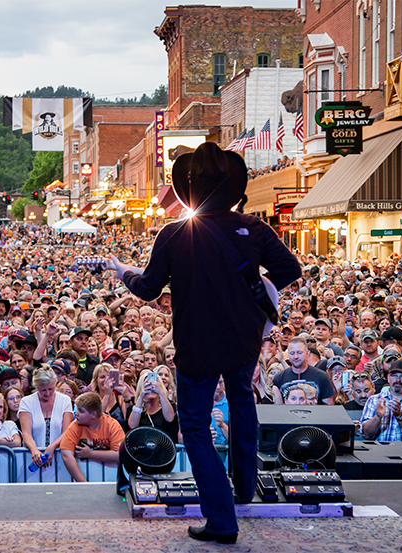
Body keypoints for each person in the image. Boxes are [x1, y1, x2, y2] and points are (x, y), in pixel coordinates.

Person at [111, 142, 300, 543]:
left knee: (195, 427)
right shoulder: (256, 228)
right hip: (244, 339)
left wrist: (123, 272)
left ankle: (222, 519)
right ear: (232, 185)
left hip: (197, 344)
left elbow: (147, 290)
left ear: (188, 188)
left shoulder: (175, 233)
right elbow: (290, 267)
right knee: (242, 401)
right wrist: (255, 294)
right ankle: (245, 488)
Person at [60, 392, 125, 483]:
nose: (76, 413)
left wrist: (91, 454)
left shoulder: (112, 425)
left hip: (110, 480)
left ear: (93, 415)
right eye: (76, 409)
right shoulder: (75, 425)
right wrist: (83, 484)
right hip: (84, 479)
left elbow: (119, 455)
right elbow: (66, 454)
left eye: (81, 411)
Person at [360, 358, 402, 442]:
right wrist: (378, 417)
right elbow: (366, 434)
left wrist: (400, 416)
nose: (398, 380)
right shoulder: (374, 400)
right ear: (388, 378)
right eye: (394, 375)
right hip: (378, 452)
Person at [19, 367, 73, 471]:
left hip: (59, 460)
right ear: (36, 387)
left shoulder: (65, 400)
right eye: (43, 390)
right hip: (32, 459)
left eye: (51, 389)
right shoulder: (26, 402)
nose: (47, 394)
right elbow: (26, 433)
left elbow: (67, 431)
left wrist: (53, 446)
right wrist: (34, 450)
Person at [272, 338, 336, 405]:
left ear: (308, 354)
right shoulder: (279, 378)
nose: (295, 356)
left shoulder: (322, 376)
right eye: (292, 353)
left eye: (299, 353)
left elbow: (328, 408)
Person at [128, 369, 179, 443]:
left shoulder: (169, 406)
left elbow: (170, 418)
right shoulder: (135, 409)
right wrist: (141, 396)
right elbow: (132, 426)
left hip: (165, 450)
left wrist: (161, 392)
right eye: (147, 384)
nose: (151, 387)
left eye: (154, 384)